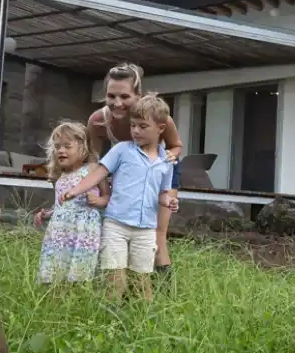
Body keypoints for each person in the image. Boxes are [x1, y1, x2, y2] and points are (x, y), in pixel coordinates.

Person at [60, 94, 180, 300]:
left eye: (143, 126)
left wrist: (169, 201)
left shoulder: (166, 161)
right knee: (115, 282)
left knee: (142, 284)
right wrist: (76, 190)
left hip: (145, 230)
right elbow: (99, 172)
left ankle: (143, 325)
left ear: (160, 128)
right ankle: (109, 324)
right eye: (133, 125)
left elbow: (162, 194)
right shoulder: (122, 150)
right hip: (116, 225)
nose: (135, 131)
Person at [87, 63, 183, 280]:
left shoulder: (159, 118)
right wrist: (105, 190)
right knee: (119, 228)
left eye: (124, 96)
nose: (117, 103)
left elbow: (176, 145)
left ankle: (164, 292)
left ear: (138, 95)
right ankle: (123, 285)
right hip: (127, 171)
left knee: (156, 234)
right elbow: (93, 159)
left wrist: (169, 158)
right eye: (111, 96)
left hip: (159, 171)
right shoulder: (98, 120)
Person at [31, 121, 108, 287]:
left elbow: (108, 197)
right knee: (57, 271)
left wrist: (98, 201)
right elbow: (61, 205)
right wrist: (47, 214)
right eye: (57, 147)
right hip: (60, 232)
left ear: (83, 147)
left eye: (67, 146)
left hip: (83, 230)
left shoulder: (92, 169)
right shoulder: (59, 176)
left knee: (79, 273)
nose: (61, 150)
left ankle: (78, 299)